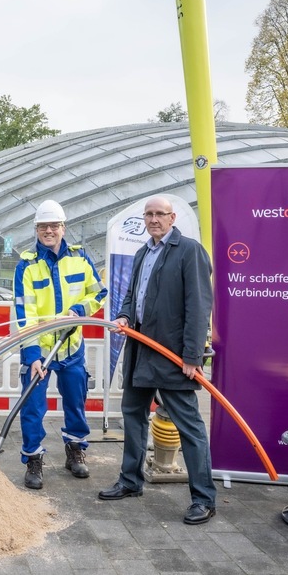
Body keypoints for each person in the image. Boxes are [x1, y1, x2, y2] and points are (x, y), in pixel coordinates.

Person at [99, 196, 217, 525]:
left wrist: (192, 356)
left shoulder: (189, 251)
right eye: (148, 214)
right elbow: (130, 295)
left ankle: (204, 498)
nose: (153, 219)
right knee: (133, 417)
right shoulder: (141, 253)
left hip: (173, 357)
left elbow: (199, 307)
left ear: (172, 217)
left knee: (189, 426)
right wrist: (123, 315)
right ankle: (130, 480)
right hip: (140, 353)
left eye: (159, 214)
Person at [13, 200, 106, 489]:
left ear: (63, 228)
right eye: (43, 226)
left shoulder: (80, 259)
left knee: (76, 402)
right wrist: (32, 356)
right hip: (39, 349)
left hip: (71, 346)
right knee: (33, 407)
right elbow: (23, 315)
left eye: (54, 226)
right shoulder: (27, 266)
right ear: (36, 230)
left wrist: (79, 310)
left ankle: (75, 450)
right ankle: (33, 459)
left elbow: (99, 293)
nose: (49, 231)